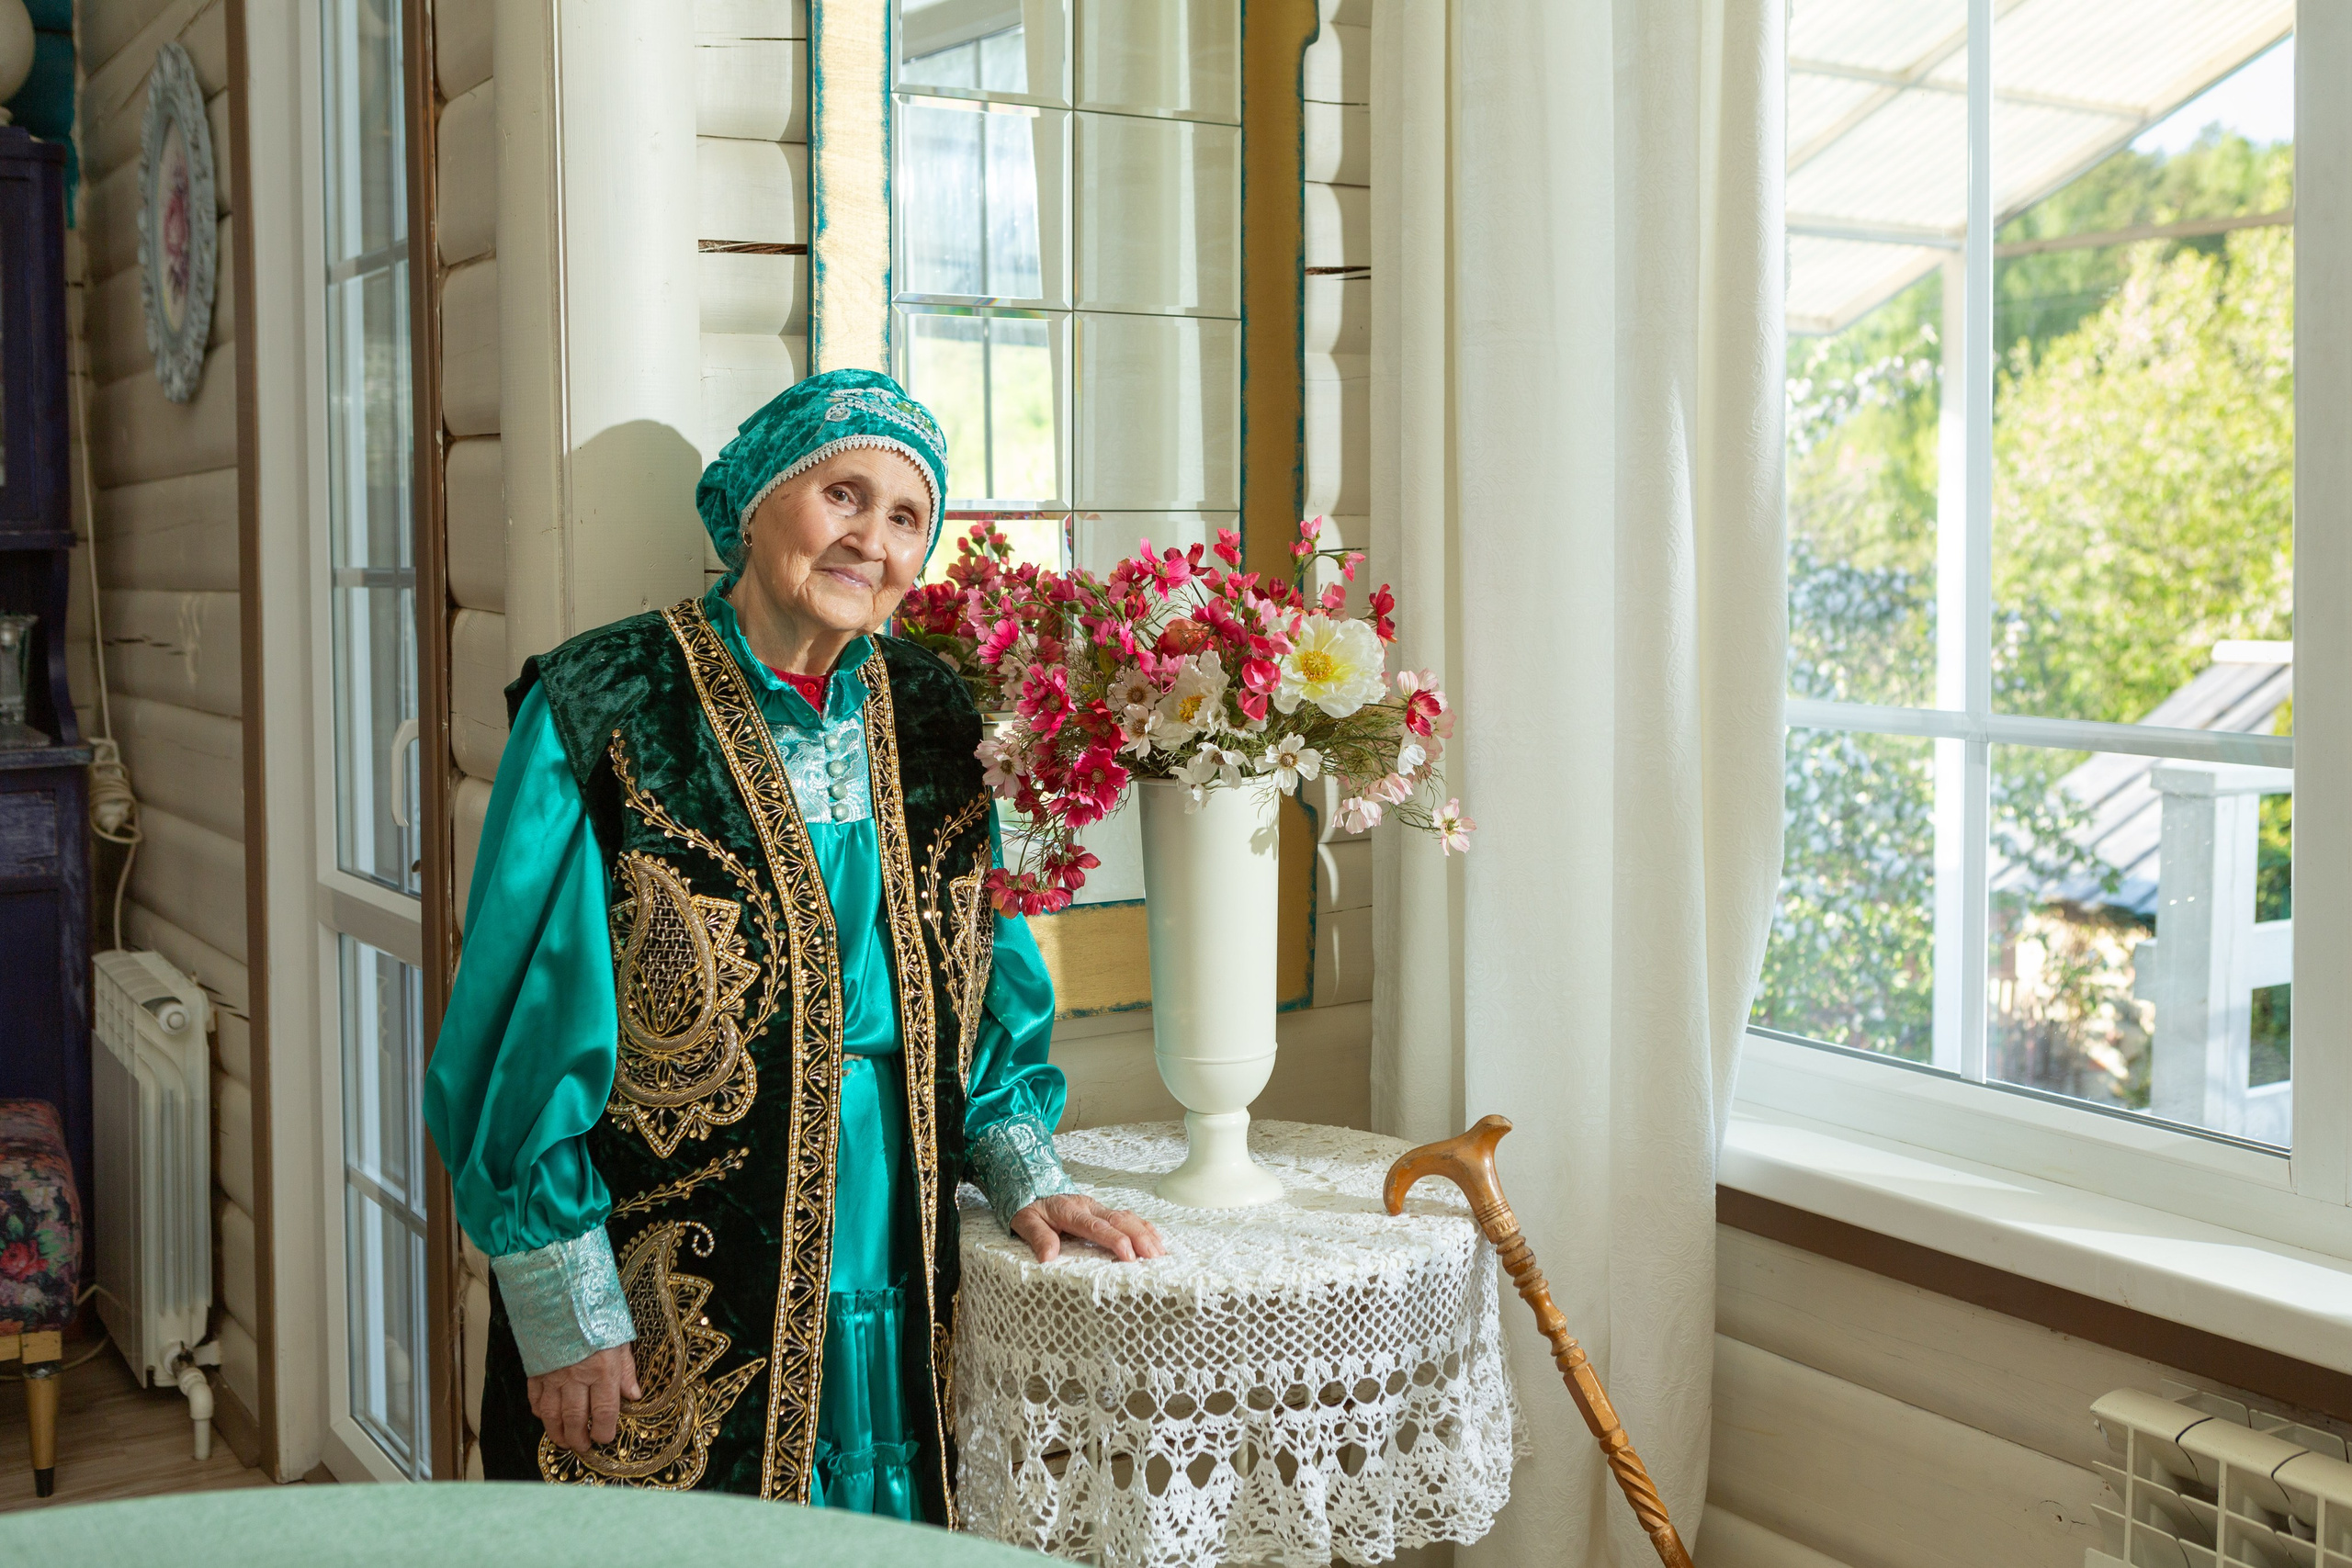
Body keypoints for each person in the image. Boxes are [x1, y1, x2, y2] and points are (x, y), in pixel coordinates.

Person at [423, 368, 1162, 1519]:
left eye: (907, 516)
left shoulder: (934, 714)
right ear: (752, 504)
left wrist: (1021, 1165)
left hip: (900, 1237)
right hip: (673, 1258)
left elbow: (988, 974)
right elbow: (520, 1024)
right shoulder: (605, 701)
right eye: (843, 496)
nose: (871, 538)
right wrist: (563, 1300)